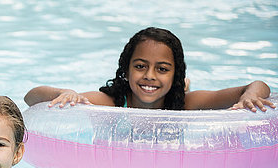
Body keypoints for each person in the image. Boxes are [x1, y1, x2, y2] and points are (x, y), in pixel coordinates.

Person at [24, 27, 274, 112]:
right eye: (140, 66)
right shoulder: (111, 103)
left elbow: (258, 86)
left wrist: (250, 96)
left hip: (175, 97)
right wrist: (66, 91)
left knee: (179, 91)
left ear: (175, 74)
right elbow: (31, 96)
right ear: (126, 68)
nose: (150, 76)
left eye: (162, 69)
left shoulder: (185, 105)